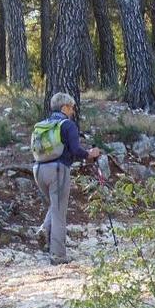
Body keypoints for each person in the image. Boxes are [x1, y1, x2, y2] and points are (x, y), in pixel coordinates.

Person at [33, 92, 101, 265]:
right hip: (58, 169)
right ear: (64, 107)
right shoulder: (67, 125)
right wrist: (90, 154)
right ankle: (58, 255)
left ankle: (44, 229)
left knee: (55, 206)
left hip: (39, 169)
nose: (72, 111)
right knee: (59, 212)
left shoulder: (42, 125)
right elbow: (76, 150)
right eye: (71, 107)